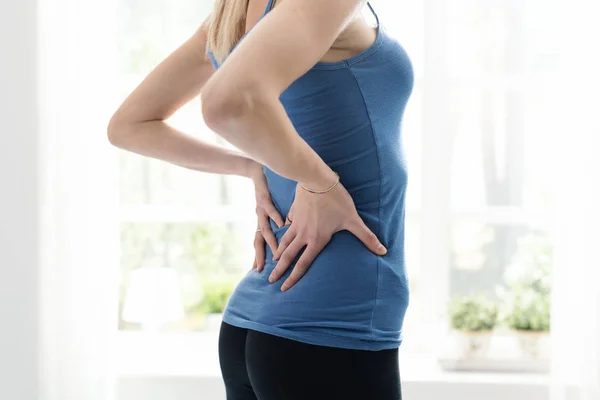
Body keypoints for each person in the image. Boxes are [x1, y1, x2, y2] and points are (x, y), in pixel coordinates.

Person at [108, 0, 413, 398]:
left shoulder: (233, 15)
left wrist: (256, 167)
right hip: (332, 319)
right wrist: (319, 181)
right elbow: (224, 102)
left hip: (255, 323)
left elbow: (130, 126)